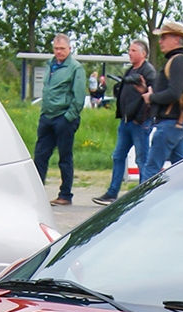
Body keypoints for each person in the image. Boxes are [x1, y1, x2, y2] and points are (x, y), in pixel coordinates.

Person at [94, 40, 157, 205]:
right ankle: (112, 192)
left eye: (134, 50)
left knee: (142, 159)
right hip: (126, 121)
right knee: (118, 156)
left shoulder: (148, 71)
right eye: (129, 50)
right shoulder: (130, 70)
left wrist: (143, 116)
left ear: (143, 53)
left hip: (140, 121)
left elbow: (153, 95)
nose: (130, 53)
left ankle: (143, 195)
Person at [32, 34, 88, 206]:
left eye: (62, 48)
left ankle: (65, 194)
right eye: (56, 48)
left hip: (63, 118)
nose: (59, 52)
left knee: (64, 157)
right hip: (47, 116)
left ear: (69, 49)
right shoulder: (50, 65)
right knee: (40, 155)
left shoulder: (75, 68)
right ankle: (37, 193)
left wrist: (68, 117)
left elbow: (79, 97)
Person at [139, 21, 183, 183]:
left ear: (176, 39)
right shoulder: (182, 60)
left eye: (164, 37)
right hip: (177, 123)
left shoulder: (178, 60)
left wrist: (151, 97)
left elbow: (174, 93)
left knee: (150, 169)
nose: (160, 41)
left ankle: (143, 207)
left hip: (170, 124)